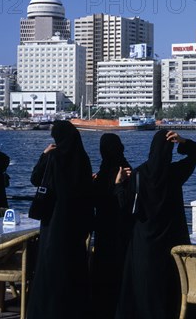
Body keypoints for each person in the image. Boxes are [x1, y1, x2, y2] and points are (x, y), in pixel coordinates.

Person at [115, 129, 196, 319]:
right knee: (170, 286)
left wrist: (119, 184)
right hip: (171, 240)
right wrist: (182, 141)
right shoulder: (174, 173)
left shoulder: (138, 174)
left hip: (143, 240)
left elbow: (126, 206)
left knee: (144, 287)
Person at [27, 120, 94, 319]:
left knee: (50, 268)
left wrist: (44, 154)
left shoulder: (54, 157)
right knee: (73, 267)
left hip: (54, 219)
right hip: (76, 220)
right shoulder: (82, 158)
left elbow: (36, 179)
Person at [90, 133, 132, 319]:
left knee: (105, 268)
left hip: (105, 226)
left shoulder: (106, 169)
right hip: (120, 227)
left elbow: (102, 199)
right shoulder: (125, 168)